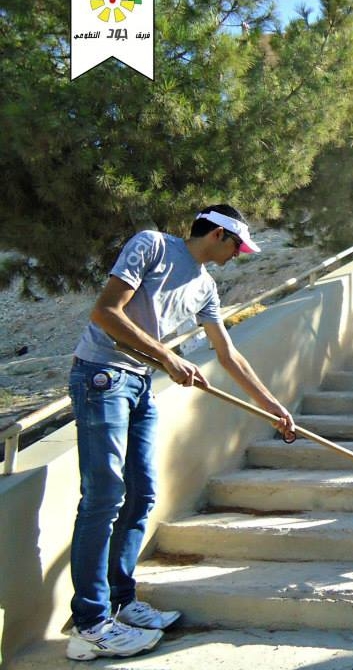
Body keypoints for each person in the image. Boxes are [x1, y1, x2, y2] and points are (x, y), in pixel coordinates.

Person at [66, 204, 295, 661]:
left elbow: (228, 354)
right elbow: (106, 312)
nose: (238, 255)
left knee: (142, 494)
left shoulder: (206, 286)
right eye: (236, 246)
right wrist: (168, 357)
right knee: (105, 495)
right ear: (216, 235)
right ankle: (90, 624)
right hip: (101, 376)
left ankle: (121, 601)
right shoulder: (151, 245)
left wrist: (271, 407)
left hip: (138, 384)